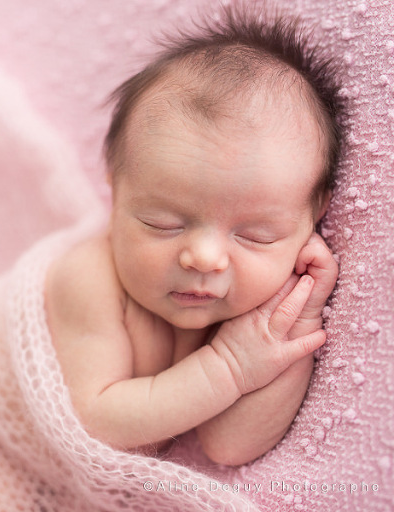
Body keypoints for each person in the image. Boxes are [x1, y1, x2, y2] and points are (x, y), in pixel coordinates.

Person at [45, 5, 344, 467]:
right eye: (163, 223)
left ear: (313, 219)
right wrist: (227, 368)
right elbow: (96, 421)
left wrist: (295, 322)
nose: (204, 258)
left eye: (256, 236)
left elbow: (231, 446)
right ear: (116, 188)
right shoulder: (87, 277)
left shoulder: (249, 303)